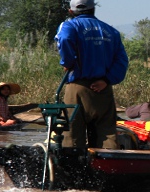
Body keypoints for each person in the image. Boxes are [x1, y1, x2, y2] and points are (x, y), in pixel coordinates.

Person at [54, 0, 129, 149]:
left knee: (72, 135)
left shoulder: (69, 25)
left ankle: (73, 168)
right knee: (106, 133)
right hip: (103, 90)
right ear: (93, 9)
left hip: (77, 88)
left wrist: (68, 62)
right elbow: (122, 60)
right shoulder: (111, 31)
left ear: (71, 11)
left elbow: (65, 39)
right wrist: (107, 80)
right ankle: (108, 167)